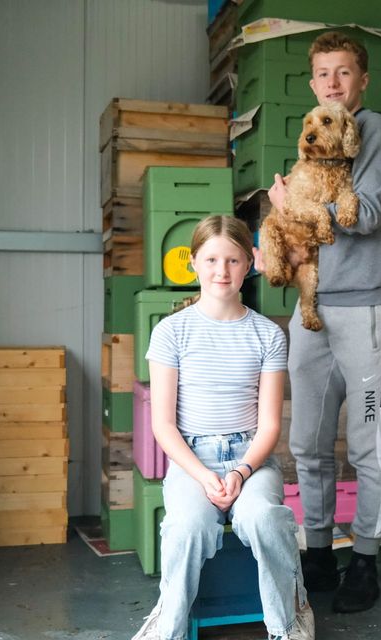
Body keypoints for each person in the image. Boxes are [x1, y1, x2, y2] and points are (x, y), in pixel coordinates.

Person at [266, 31, 381, 614]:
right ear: (312, 83)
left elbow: (367, 213)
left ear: (363, 81)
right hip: (313, 308)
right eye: (324, 73)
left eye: (344, 72)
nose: (333, 82)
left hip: (367, 307)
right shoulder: (312, 139)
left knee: (369, 438)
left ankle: (366, 559)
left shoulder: (374, 129)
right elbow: (296, 223)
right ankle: (320, 548)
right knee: (308, 442)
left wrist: (291, 208)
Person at [131, 217, 314, 640]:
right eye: (211, 259)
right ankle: (167, 625)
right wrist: (203, 475)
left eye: (233, 260)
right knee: (187, 526)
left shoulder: (268, 334)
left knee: (264, 518)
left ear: (249, 264)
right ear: (193, 262)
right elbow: (163, 423)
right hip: (192, 460)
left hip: (251, 458)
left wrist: (240, 472)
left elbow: (270, 424)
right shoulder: (171, 332)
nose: (222, 270)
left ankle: (290, 618)